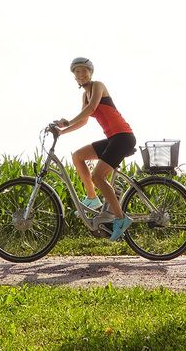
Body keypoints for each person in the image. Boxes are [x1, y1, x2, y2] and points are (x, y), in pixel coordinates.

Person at [51, 56, 137, 241]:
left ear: (91, 72)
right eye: (77, 72)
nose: (81, 74)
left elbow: (91, 109)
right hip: (113, 138)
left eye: (84, 70)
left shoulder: (98, 85)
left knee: (98, 176)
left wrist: (67, 122)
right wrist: (62, 132)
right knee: (78, 156)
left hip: (123, 137)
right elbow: (83, 120)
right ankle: (92, 197)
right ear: (74, 76)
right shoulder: (84, 94)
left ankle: (121, 219)